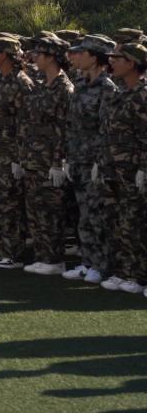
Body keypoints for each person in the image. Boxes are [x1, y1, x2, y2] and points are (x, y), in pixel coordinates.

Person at [63, 34, 118, 284]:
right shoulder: (81, 84)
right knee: (84, 214)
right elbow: (73, 124)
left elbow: (106, 129)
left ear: (95, 58)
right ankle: (87, 262)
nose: (76, 56)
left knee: (97, 216)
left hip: (95, 161)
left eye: (81, 53)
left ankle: (101, 265)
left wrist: (100, 161)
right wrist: (68, 156)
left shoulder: (107, 88)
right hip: (78, 158)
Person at [19, 34, 74, 275]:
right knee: (35, 209)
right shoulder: (41, 85)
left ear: (52, 57)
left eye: (39, 54)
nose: (35, 58)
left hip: (51, 158)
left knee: (51, 211)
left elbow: (64, 128)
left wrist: (59, 162)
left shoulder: (64, 88)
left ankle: (53, 258)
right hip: (34, 157)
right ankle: (42, 256)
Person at [97, 43, 147, 294]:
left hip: (132, 170)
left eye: (117, 58)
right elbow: (107, 132)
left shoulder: (142, 95)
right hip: (113, 168)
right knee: (115, 222)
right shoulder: (119, 93)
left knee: (134, 223)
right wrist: (100, 162)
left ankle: (139, 275)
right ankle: (123, 271)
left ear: (132, 63)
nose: (111, 62)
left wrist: (143, 168)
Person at [0, 36, 34, 269]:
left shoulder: (21, 82)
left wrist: (19, 158)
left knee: (9, 204)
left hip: (9, 153)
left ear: (4, 55)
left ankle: (12, 252)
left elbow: (25, 124)